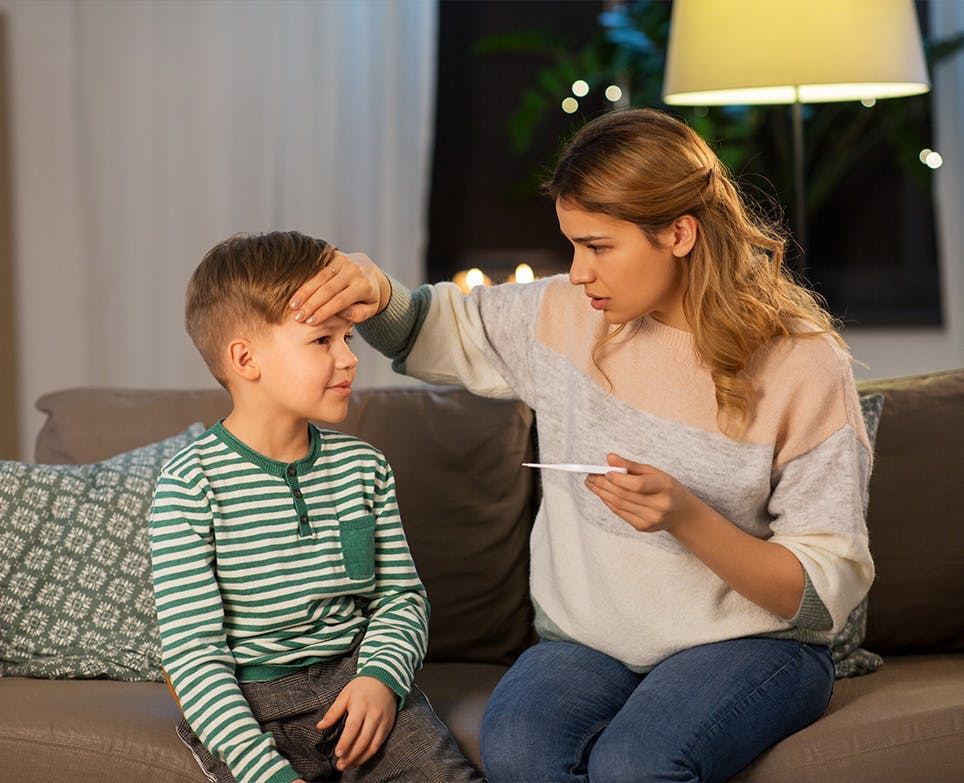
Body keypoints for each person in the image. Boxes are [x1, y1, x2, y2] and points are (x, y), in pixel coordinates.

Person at [286, 108, 875, 783]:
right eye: (571, 246)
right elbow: (434, 330)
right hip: (589, 642)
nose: (579, 272)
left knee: (634, 762)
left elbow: (823, 588)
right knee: (518, 749)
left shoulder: (802, 361)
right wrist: (376, 290)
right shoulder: (566, 312)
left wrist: (685, 517)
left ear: (679, 233)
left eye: (598, 246)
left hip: (756, 645)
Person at [149, 231, 482, 783]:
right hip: (247, 708)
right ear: (245, 358)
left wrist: (380, 680)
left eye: (348, 337)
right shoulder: (190, 485)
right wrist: (264, 771)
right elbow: (193, 659)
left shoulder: (364, 468)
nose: (351, 358)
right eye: (323, 341)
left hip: (356, 686)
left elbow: (401, 598)